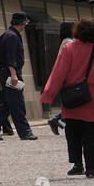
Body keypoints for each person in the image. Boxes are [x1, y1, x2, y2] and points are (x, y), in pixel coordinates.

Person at [40, 18, 94, 177]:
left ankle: (77, 164)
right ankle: (91, 168)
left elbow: (58, 73)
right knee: (91, 134)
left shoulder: (69, 48)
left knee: (73, 133)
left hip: (72, 97)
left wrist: (48, 94)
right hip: (92, 98)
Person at [0, 13, 37, 140]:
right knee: (17, 102)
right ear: (21, 23)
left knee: (8, 103)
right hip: (11, 72)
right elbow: (11, 57)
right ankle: (25, 132)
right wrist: (14, 75)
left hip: (6, 72)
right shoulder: (12, 36)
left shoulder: (7, 34)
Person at [47, 23, 74, 136]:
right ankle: (59, 120)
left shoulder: (66, 41)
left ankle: (58, 120)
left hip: (68, 76)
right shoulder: (69, 42)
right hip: (70, 77)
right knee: (75, 102)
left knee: (74, 102)